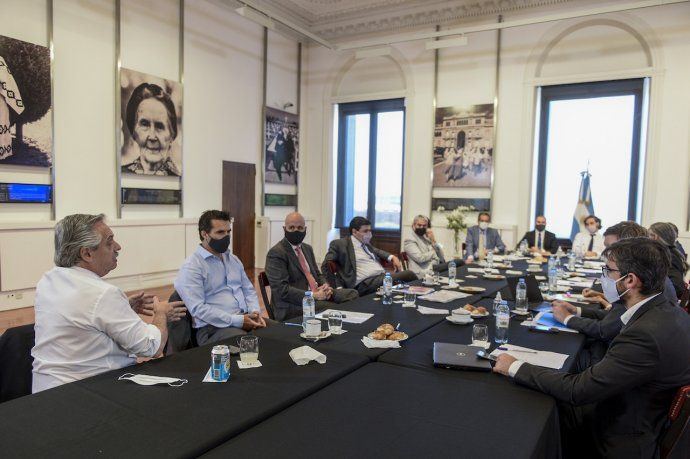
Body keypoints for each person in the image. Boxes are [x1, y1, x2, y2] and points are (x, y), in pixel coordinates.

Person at [494, 238, 690, 458]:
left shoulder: (645, 334)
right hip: (640, 412)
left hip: (621, 435)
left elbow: (577, 391)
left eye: (608, 271)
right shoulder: (664, 310)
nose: (603, 277)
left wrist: (515, 366)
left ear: (630, 281)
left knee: (535, 407)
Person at [31, 214, 186, 393]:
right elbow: (151, 347)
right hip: (91, 392)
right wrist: (161, 313)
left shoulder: (47, 281)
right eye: (109, 242)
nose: (118, 247)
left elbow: (81, 316)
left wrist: (122, 309)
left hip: (46, 391)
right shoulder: (103, 294)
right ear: (87, 253)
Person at [175, 210, 267, 346]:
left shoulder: (233, 259)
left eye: (228, 232)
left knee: (278, 333)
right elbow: (198, 309)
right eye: (220, 232)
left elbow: (248, 290)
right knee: (250, 345)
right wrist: (238, 320)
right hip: (212, 329)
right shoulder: (192, 266)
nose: (226, 237)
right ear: (204, 234)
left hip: (244, 318)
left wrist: (255, 312)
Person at [265, 212, 358, 321]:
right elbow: (282, 290)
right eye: (291, 227)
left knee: (352, 294)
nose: (296, 231)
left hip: (317, 294)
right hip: (293, 305)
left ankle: (345, 328)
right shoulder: (276, 253)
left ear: (305, 229)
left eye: (300, 228)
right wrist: (313, 295)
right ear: (284, 229)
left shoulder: (307, 248)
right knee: (332, 309)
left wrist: (325, 286)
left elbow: (317, 274)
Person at [322, 216, 417, 296]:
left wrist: (392, 257)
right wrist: (337, 288)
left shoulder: (365, 244)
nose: (369, 234)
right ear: (354, 232)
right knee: (409, 274)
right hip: (364, 284)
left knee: (404, 286)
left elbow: (376, 251)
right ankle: (423, 295)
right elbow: (326, 265)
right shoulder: (340, 244)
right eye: (365, 231)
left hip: (381, 277)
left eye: (370, 230)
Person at [122, 83, 181, 176]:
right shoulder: (122, 174)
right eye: (145, 124)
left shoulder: (179, 183)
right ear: (134, 132)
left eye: (159, 126)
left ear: (171, 135)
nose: (152, 136)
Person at [649, 222, 689, 298]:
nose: (647, 238)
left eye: (649, 235)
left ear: (655, 237)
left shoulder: (667, 257)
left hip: (663, 304)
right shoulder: (669, 253)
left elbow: (677, 287)